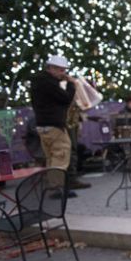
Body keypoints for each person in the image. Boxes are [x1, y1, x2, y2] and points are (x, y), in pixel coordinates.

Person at [30, 55, 78, 197]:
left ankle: (53, 186)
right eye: (61, 70)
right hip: (54, 125)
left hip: (42, 124)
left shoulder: (38, 82)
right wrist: (71, 85)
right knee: (60, 155)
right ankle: (57, 188)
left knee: (51, 157)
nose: (63, 73)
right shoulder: (48, 83)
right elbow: (65, 99)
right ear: (52, 68)